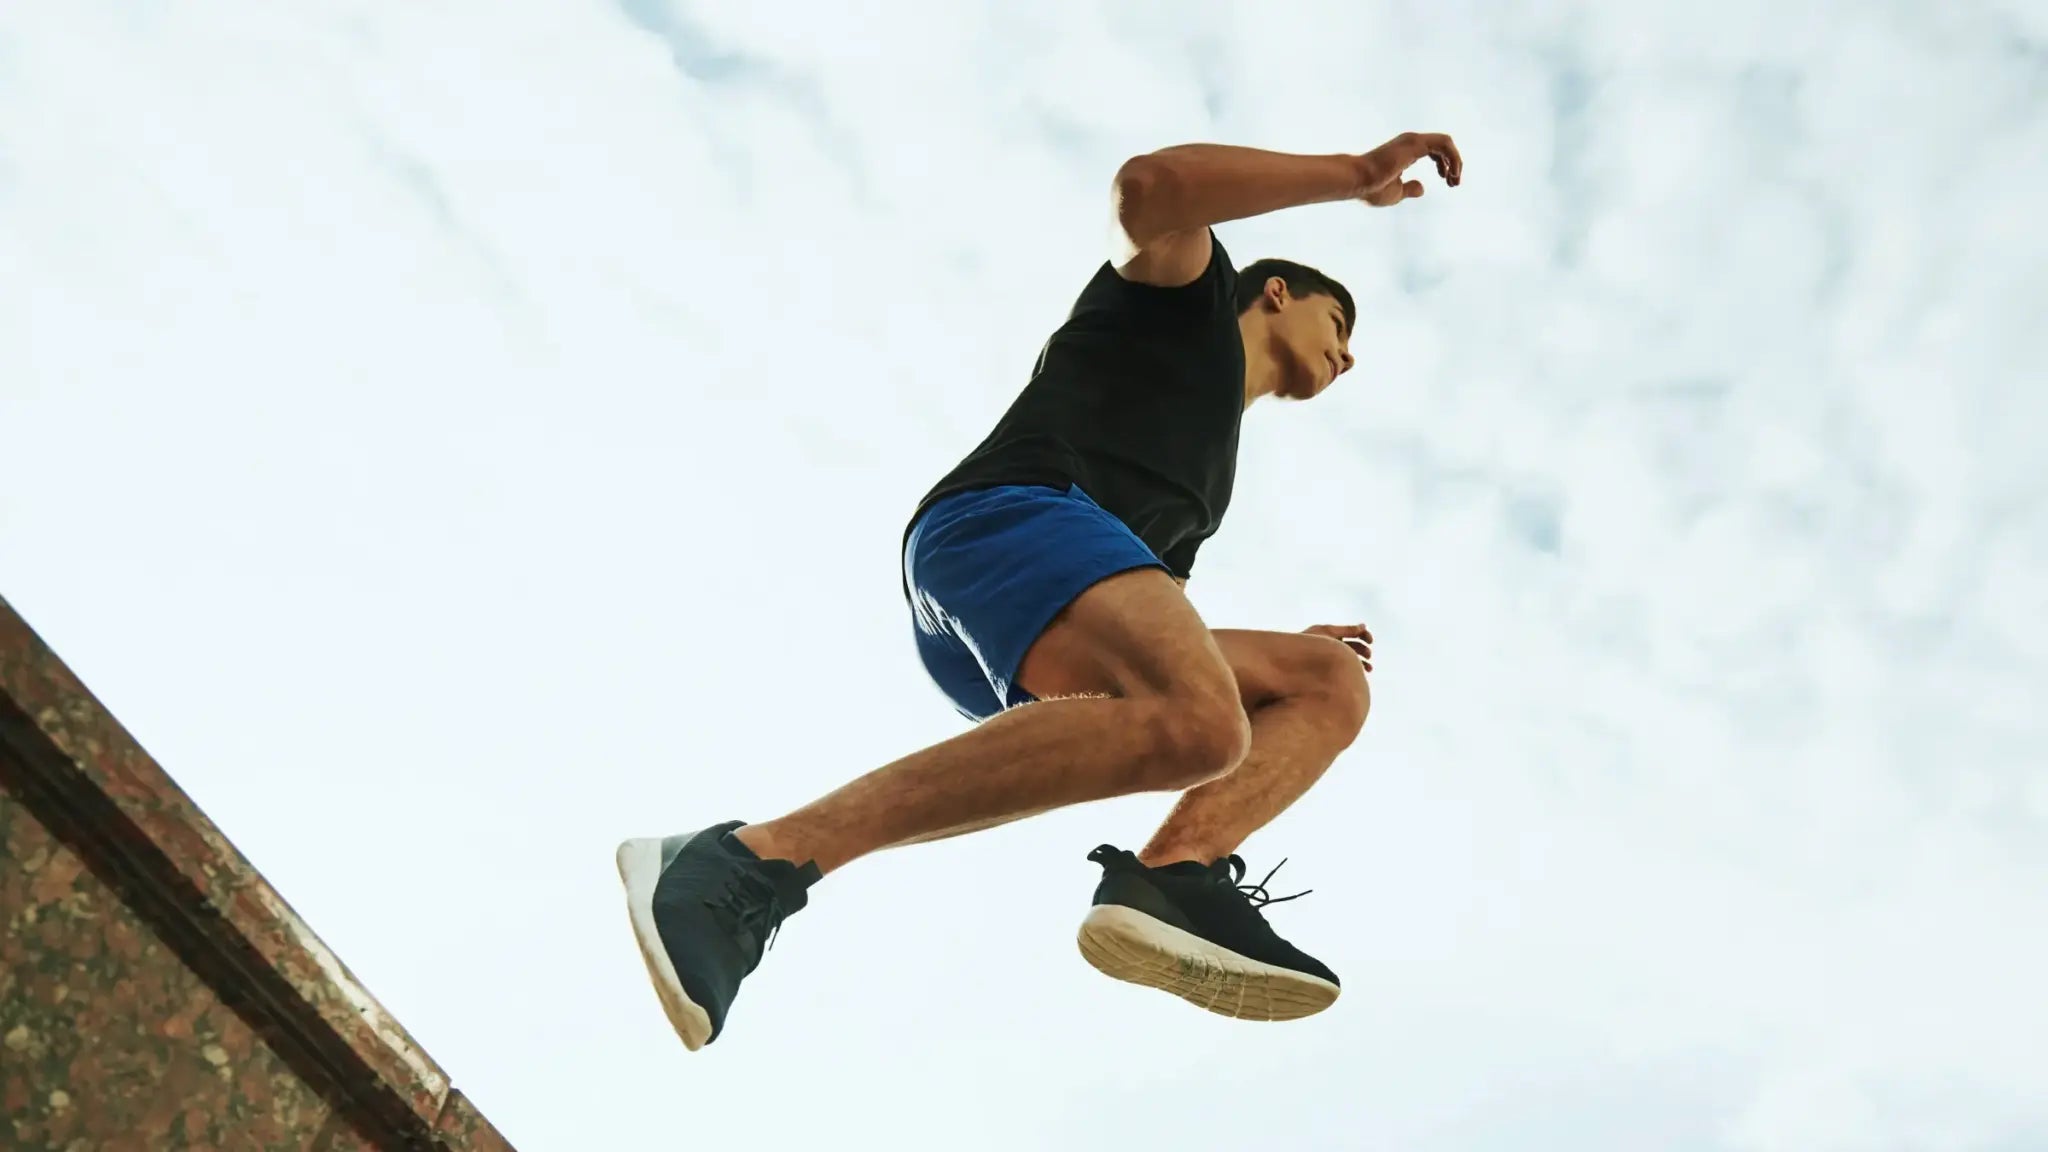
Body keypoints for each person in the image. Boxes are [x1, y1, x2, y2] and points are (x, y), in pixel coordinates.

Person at [617, 130, 1463, 1051]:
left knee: (1320, 682)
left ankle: (1176, 870)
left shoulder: (1210, 470)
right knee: (1206, 720)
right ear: (1277, 294)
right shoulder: (1186, 298)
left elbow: (1148, 614)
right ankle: (754, 861)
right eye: (1340, 325)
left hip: (1031, 596)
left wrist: (1263, 660)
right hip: (1006, 518)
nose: (1348, 356)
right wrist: (1353, 176)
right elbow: (1149, 186)